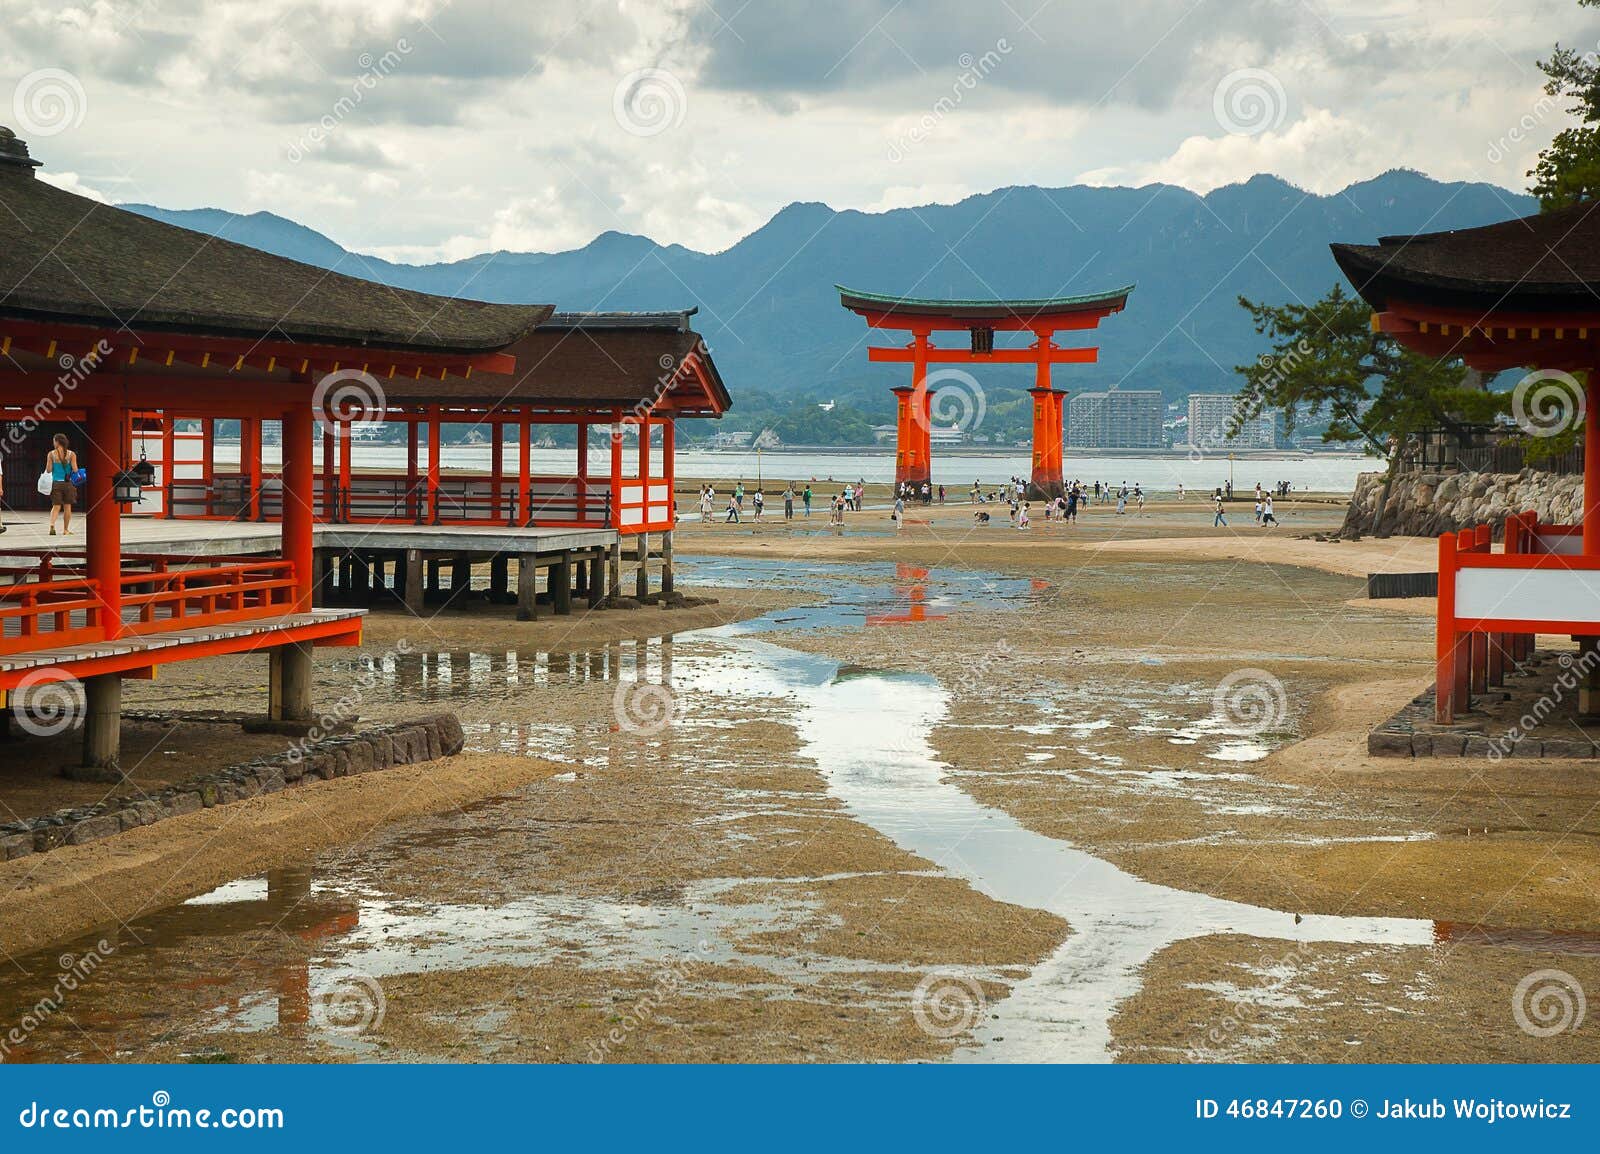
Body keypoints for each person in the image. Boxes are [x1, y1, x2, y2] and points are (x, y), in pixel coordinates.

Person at [46, 432, 78, 536]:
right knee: (67, 507)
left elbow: (48, 470)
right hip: (68, 484)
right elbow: (75, 469)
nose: (53, 443)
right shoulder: (71, 454)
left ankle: (52, 525)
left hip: (56, 484)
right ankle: (65, 530)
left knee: (56, 506)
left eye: (54, 441)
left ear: (57, 442)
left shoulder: (51, 454)